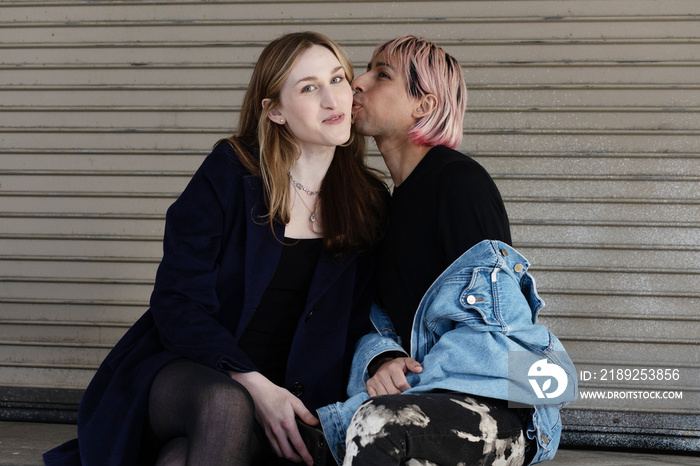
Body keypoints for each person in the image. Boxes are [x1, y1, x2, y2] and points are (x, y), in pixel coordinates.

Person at [43, 31, 388, 466]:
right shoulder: (231, 173)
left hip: (294, 398)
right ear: (274, 111)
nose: (331, 98)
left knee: (179, 459)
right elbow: (177, 300)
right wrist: (254, 385)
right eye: (308, 87)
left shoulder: (368, 201)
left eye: (337, 79)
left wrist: (383, 360)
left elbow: (365, 316)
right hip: (193, 370)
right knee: (226, 407)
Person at [312, 35, 577, 466]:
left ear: (425, 105)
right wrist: (383, 358)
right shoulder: (386, 207)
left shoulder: (458, 184)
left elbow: (495, 335)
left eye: (382, 74)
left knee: (374, 423)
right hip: (423, 401)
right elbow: (375, 321)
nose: (356, 83)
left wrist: (405, 386)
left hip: (504, 411)